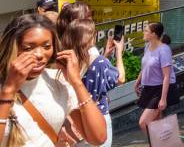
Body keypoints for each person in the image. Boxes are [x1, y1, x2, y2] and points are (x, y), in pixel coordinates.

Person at [0, 14, 107, 147]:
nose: (39, 55)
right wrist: (8, 90)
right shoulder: (4, 86)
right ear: (12, 47)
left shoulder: (56, 80)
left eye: (46, 46)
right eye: (28, 48)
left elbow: (98, 137)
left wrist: (77, 83)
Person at [59, 18, 125, 147]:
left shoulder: (68, 59)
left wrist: (105, 54)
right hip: (97, 116)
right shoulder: (98, 61)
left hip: (75, 117)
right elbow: (120, 79)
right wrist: (119, 53)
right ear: (92, 37)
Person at [135, 23, 178, 133]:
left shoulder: (164, 50)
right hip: (148, 88)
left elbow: (167, 76)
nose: (143, 33)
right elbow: (145, 66)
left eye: (146, 31)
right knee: (156, 122)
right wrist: (138, 82)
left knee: (143, 122)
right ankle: (164, 143)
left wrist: (163, 99)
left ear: (153, 34)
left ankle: (160, 142)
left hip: (159, 90)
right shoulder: (147, 46)